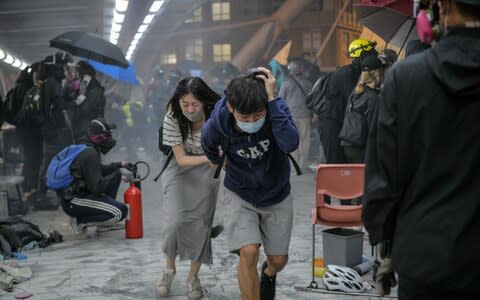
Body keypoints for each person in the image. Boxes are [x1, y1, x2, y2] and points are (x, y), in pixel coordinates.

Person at [362, 0, 480, 299]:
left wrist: (384, 245)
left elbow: (382, 180)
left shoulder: (405, 78)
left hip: (425, 257)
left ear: (442, 7)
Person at [201, 67, 299, 300]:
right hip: (240, 193)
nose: (252, 121)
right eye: (245, 118)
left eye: (258, 114)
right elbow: (207, 143)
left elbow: (291, 143)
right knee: (249, 251)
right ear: (231, 108)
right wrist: (217, 163)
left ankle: (269, 272)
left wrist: (272, 101)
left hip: (277, 192)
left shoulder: (277, 107)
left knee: (278, 260)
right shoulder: (220, 119)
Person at [156, 77, 222, 300]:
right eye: (186, 104)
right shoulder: (173, 116)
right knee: (174, 221)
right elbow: (182, 159)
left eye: (195, 105)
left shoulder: (217, 116)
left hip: (207, 173)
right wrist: (209, 158)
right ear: (179, 102)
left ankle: (193, 279)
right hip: (179, 167)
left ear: (204, 102)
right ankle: (169, 269)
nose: (190, 109)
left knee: (201, 224)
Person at [60, 118, 132, 239]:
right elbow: (96, 187)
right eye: (107, 135)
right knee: (120, 212)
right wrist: (114, 178)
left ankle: (101, 222)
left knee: (116, 173)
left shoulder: (86, 146)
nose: (109, 138)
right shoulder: (90, 154)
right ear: (98, 137)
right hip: (75, 200)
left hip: (76, 195)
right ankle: (80, 221)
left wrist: (120, 165)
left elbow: (96, 169)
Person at [317, 39, 377, 164]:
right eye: (371, 52)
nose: (375, 53)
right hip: (331, 124)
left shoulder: (357, 73)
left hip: (341, 123)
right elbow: (354, 101)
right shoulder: (346, 74)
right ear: (362, 54)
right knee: (336, 162)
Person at [339, 54, 385, 163]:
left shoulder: (356, 92)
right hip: (362, 146)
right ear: (377, 73)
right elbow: (373, 128)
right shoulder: (373, 98)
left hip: (348, 143)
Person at [279, 59, 313, 172]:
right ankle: (304, 165)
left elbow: (280, 100)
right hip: (304, 115)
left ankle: (294, 167)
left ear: (290, 71)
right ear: (301, 70)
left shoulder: (286, 83)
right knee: (305, 140)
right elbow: (313, 100)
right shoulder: (308, 83)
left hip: (290, 116)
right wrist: (315, 114)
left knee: (293, 139)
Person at [69, 61, 106, 141]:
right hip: (82, 130)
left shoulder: (95, 91)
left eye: (78, 74)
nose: (77, 77)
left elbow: (84, 111)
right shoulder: (88, 90)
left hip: (89, 131)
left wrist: (81, 94)